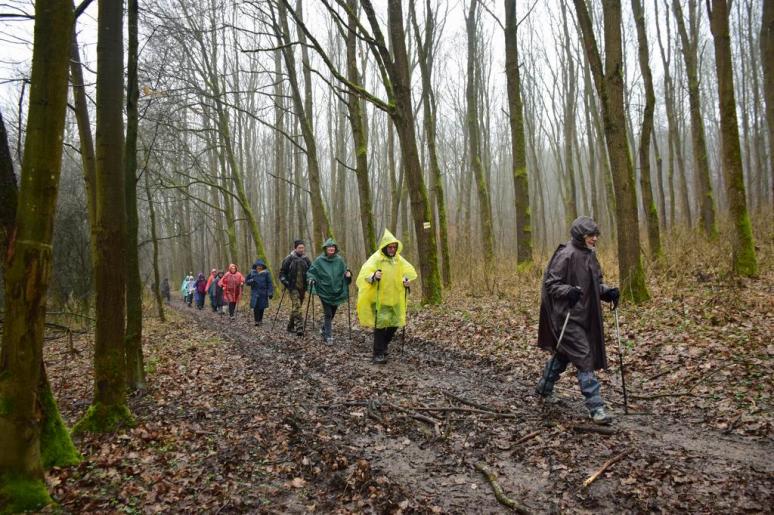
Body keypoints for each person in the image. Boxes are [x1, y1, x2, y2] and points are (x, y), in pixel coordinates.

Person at [534, 216, 620, 425]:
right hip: (567, 316)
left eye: (596, 235)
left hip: (586, 315)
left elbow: (594, 284)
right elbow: (551, 284)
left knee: (564, 354)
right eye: (591, 235)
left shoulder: (590, 255)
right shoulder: (566, 254)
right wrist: (569, 291)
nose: (595, 239)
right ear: (581, 236)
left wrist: (607, 292)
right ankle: (596, 407)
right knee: (583, 356)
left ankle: (544, 388)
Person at [357, 229, 417, 364]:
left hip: (395, 298)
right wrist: (373, 276)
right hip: (379, 299)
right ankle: (378, 353)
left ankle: (382, 346)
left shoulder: (398, 259)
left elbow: (407, 272)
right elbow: (364, 275)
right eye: (390, 247)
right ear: (385, 247)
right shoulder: (376, 259)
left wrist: (406, 280)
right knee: (380, 325)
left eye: (394, 247)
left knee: (395, 323)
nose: (392, 249)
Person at [307, 238, 352, 345]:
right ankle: (328, 336)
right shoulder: (319, 260)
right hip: (324, 290)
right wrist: (311, 279)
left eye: (333, 247)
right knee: (328, 313)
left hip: (336, 291)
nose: (331, 249)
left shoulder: (340, 260)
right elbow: (311, 272)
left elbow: (345, 271)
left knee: (332, 313)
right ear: (325, 249)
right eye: (329, 247)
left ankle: (323, 329)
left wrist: (348, 274)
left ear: (335, 249)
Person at [280, 240, 312, 336]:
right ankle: (299, 328)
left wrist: (311, 280)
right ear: (295, 248)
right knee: (297, 306)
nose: (301, 249)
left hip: (303, 288)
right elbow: (282, 273)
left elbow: (312, 271)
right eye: (299, 248)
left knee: (296, 308)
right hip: (292, 287)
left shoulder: (306, 259)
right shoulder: (289, 259)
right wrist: (285, 282)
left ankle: (290, 326)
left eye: (303, 247)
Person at [245, 259, 274, 326]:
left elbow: (269, 283)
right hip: (255, 292)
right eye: (258, 266)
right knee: (256, 307)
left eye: (261, 266)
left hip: (263, 292)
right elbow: (246, 282)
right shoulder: (252, 273)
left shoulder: (266, 273)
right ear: (256, 266)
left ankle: (260, 320)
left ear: (263, 266)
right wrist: (251, 281)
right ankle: (256, 321)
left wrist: (270, 292)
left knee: (262, 307)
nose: (259, 267)